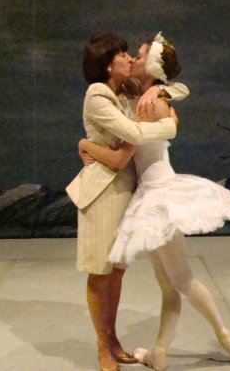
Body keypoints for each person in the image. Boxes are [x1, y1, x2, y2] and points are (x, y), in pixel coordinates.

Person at [79, 33, 230, 371]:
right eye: (128, 55)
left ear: (152, 67)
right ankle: (159, 353)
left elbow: (132, 144)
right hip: (148, 192)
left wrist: (161, 100)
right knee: (167, 285)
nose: (133, 58)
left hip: (160, 194)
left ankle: (227, 338)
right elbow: (177, 88)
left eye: (139, 55)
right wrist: (160, 90)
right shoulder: (135, 92)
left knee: (182, 280)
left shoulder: (152, 101)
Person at [66, 33, 189, 371]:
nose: (129, 58)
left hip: (127, 189)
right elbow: (132, 136)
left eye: (130, 53)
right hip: (103, 192)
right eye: (122, 54)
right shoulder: (98, 94)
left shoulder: (130, 88)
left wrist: (156, 91)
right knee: (100, 272)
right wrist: (168, 125)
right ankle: (102, 346)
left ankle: (112, 338)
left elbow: (179, 88)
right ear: (108, 65)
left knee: (117, 271)